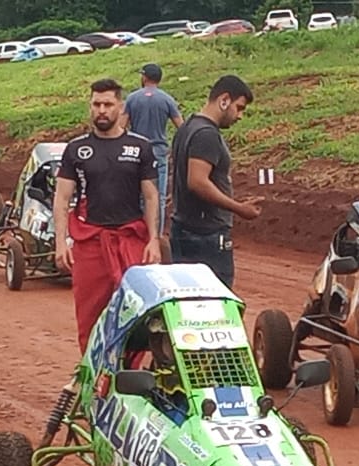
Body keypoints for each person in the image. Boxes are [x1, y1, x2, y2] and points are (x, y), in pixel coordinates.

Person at [54, 78, 161, 352]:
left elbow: (151, 196)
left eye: (108, 104)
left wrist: (154, 241)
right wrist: (60, 243)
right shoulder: (76, 149)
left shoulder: (140, 147)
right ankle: (92, 381)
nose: (102, 110)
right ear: (90, 106)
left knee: (137, 314)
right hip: (90, 243)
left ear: (120, 106)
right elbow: (62, 198)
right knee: (89, 316)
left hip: (131, 241)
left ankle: (129, 379)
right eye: (96, 104)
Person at [169, 74, 262, 288]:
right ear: (224, 100)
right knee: (216, 304)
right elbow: (197, 182)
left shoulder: (187, 127)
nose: (239, 116)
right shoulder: (206, 135)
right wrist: (239, 208)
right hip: (205, 236)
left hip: (184, 229)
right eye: (239, 108)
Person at [121, 63, 183, 229]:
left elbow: (121, 127)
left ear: (145, 77)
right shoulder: (167, 99)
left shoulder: (132, 98)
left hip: (136, 153)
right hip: (159, 154)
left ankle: (139, 234)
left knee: (138, 196)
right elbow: (181, 127)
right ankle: (157, 234)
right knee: (159, 197)